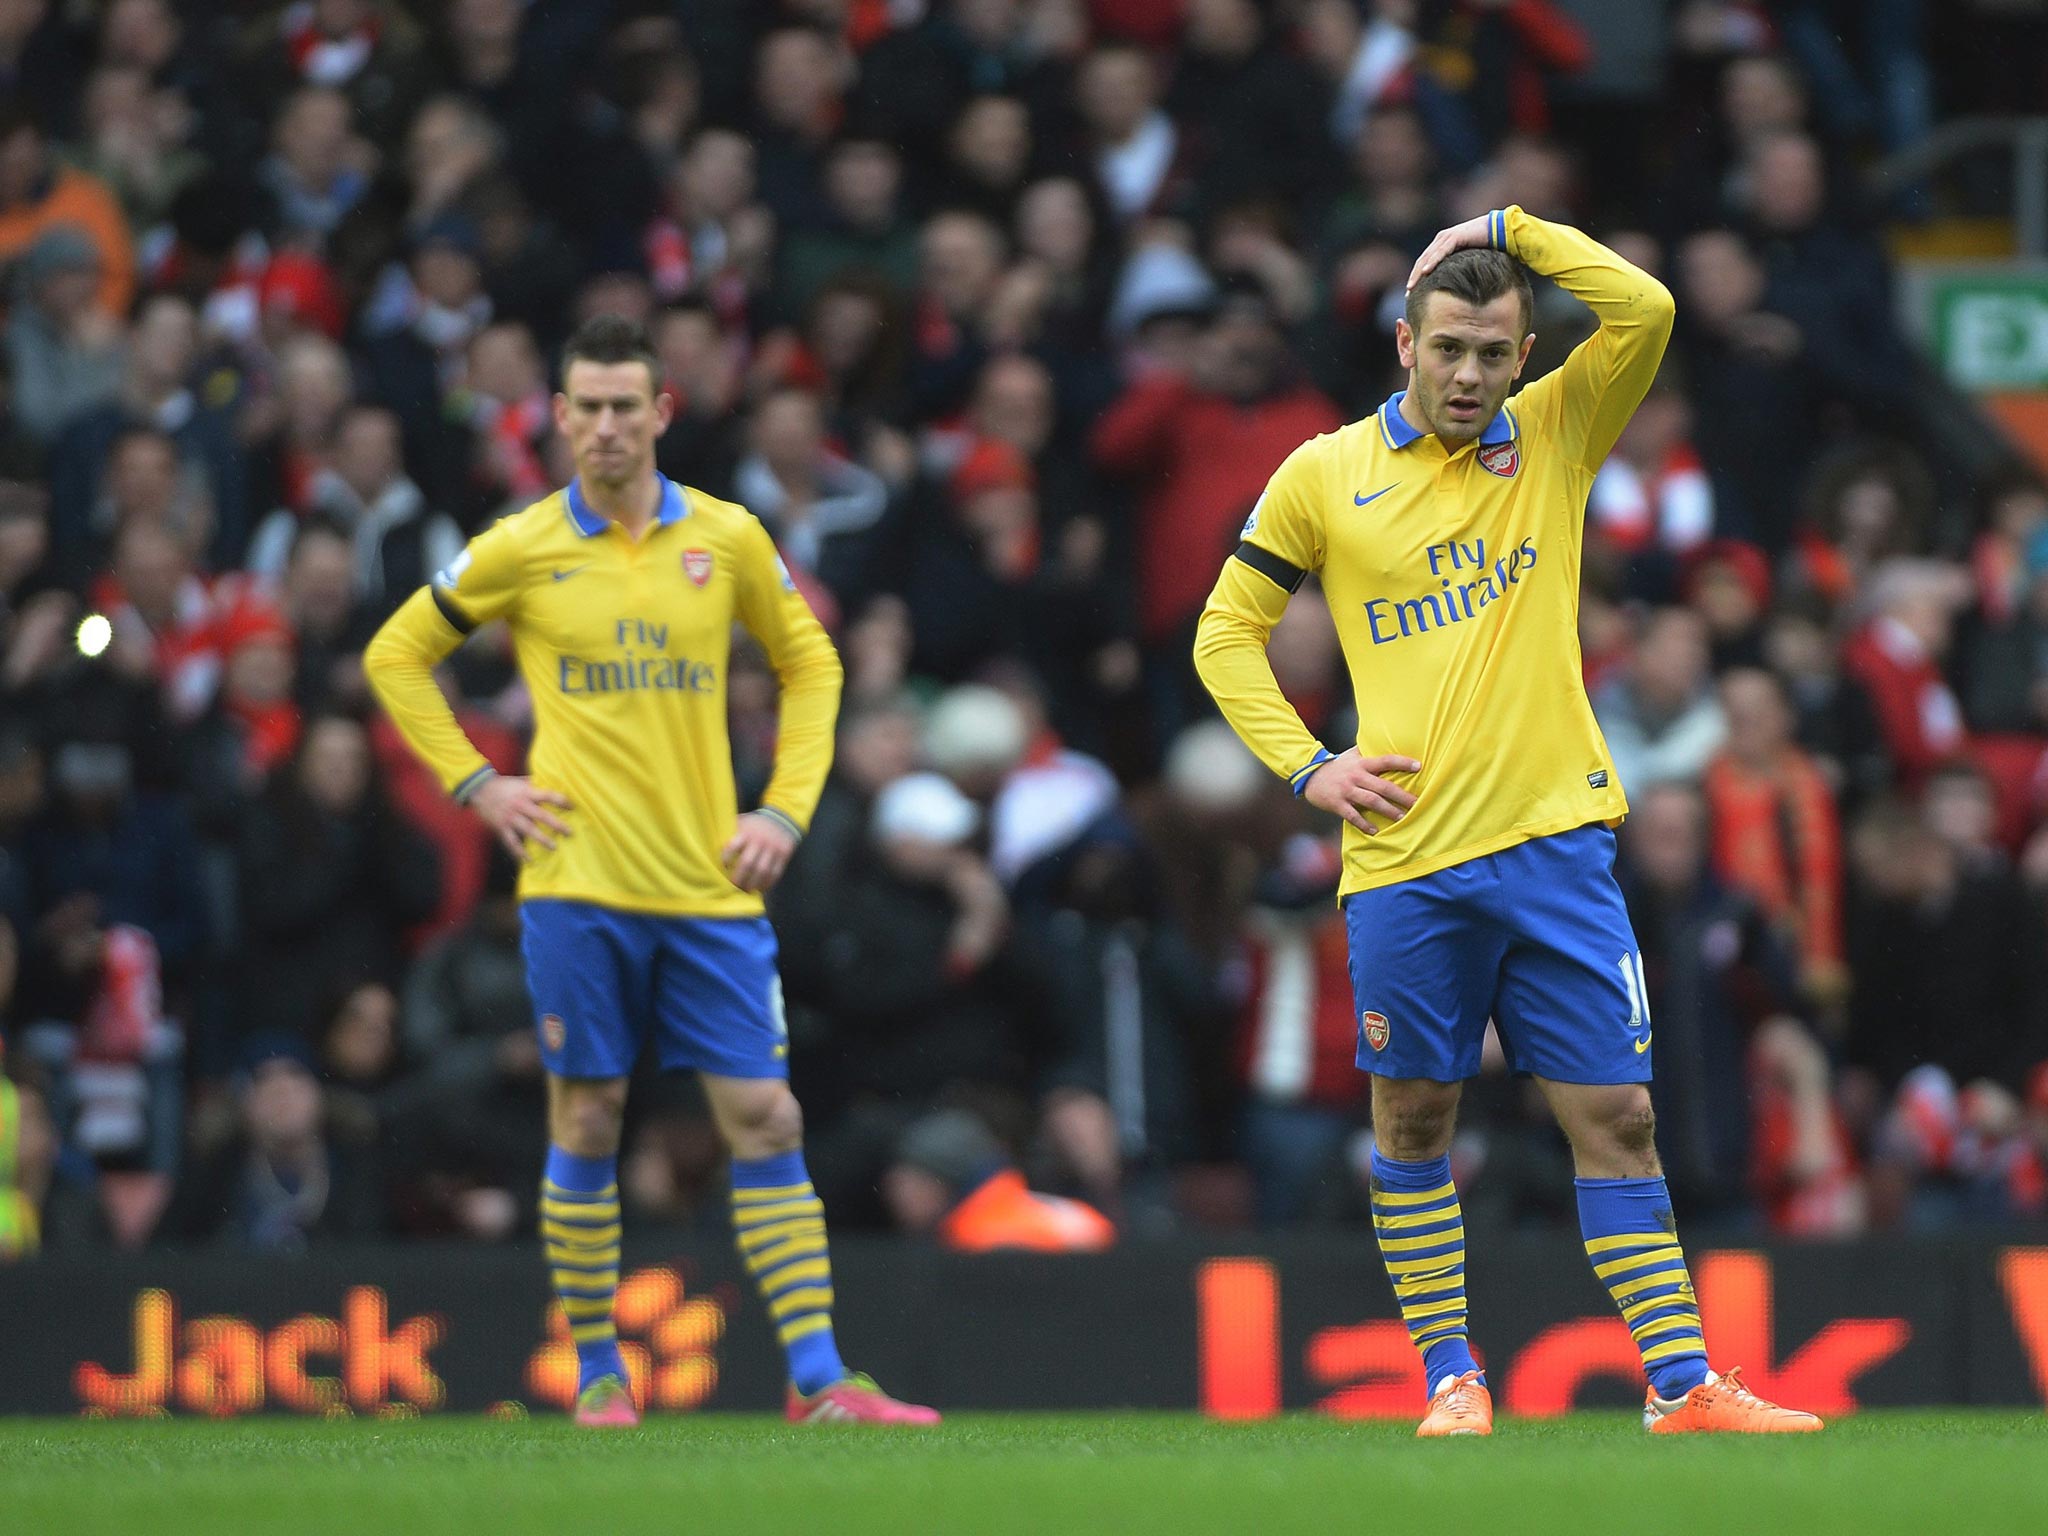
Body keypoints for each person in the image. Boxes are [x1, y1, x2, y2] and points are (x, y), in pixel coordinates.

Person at [1193, 205, 1819, 1435]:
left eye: (1493, 352)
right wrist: (1306, 769)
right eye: (1448, 350)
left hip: (1555, 848)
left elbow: (1646, 310)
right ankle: (1449, 1381)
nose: (1470, 375)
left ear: (1524, 357)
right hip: (1405, 861)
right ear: (1402, 345)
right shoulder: (1321, 474)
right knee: (1414, 1117)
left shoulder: (1556, 433)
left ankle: (1681, 1387)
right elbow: (1224, 634)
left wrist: (1504, 227)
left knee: (1619, 1117)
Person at [363, 313, 935, 1428]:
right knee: (586, 1121)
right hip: (577, 886)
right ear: (561, 418)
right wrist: (479, 787)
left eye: (630, 405)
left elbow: (811, 664)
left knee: (765, 1119)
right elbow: (396, 653)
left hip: (710, 886)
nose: (610, 425)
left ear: (662, 413)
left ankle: (821, 1384)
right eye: (590, 406)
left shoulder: (723, 538)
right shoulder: (521, 544)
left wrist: (784, 808)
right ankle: (596, 1377)